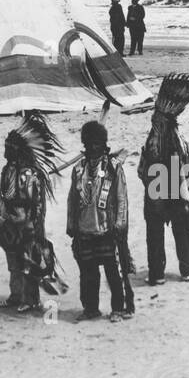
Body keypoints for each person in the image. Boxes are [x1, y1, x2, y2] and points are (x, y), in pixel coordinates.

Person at [0, 112, 64, 312]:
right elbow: (2, 197)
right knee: (13, 264)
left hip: (27, 225)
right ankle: (15, 296)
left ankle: (31, 299)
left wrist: (36, 228)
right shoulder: (7, 171)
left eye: (8, 148)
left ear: (17, 151)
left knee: (28, 262)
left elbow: (38, 205)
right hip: (10, 223)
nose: (5, 152)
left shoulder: (31, 175)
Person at [138, 73, 189, 285]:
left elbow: (144, 168)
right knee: (181, 230)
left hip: (159, 184)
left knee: (156, 231)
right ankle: (187, 269)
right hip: (175, 185)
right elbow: (187, 166)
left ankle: (158, 273)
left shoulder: (156, 138)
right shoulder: (176, 140)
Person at [67, 121, 131, 322]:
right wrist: (71, 224)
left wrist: (120, 223)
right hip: (84, 229)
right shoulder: (79, 169)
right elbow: (72, 199)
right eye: (90, 143)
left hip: (106, 228)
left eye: (97, 143)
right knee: (88, 273)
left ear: (104, 144)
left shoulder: (113, 168)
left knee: (113, 271)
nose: (93, 147)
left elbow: (121, 197)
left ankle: (118, 309)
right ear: (85, 144)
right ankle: (91, 309)